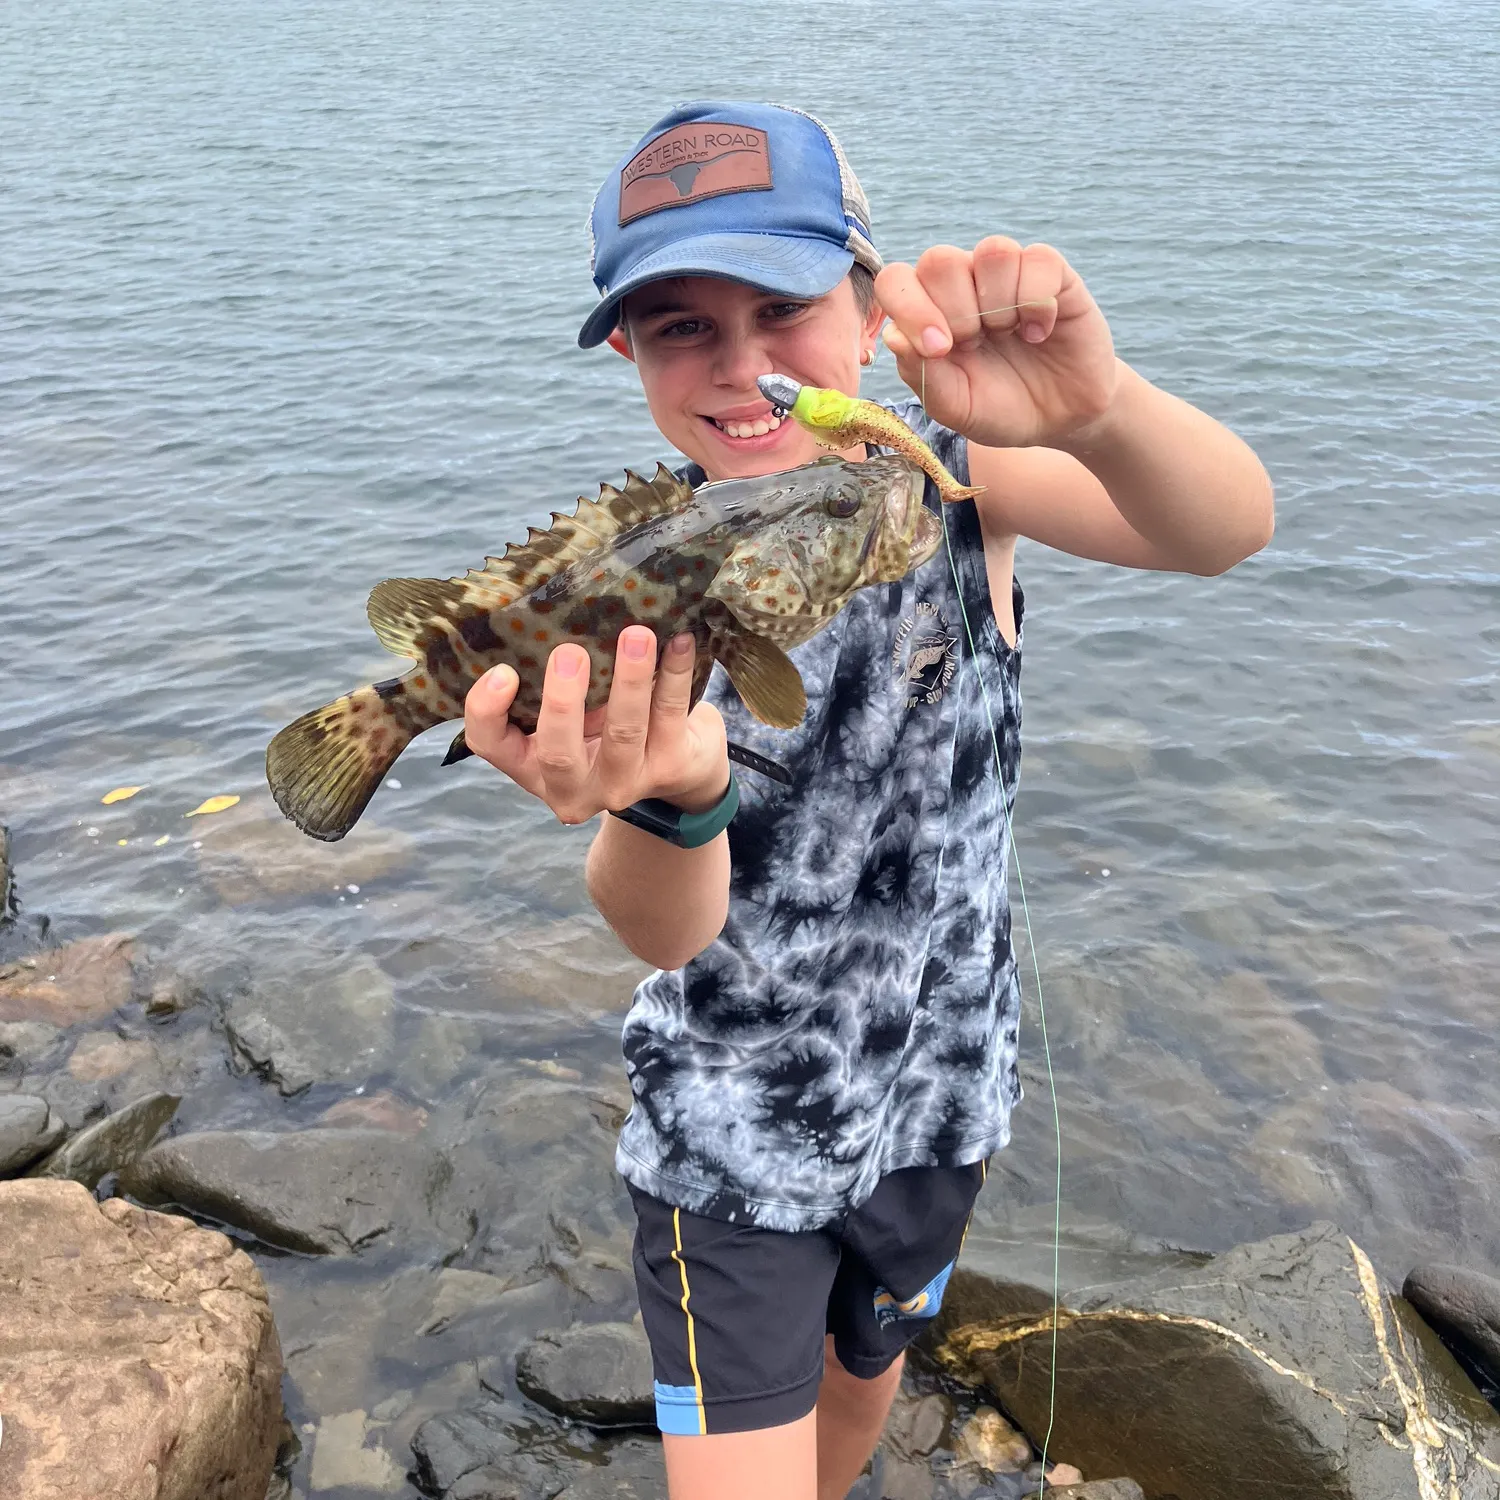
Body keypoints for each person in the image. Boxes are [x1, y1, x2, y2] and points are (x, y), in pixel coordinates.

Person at [462, 102, 1273, 1500]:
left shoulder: (959, 484)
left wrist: (1101, 407)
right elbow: (661, 937)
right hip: (727, 1140)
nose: (744, 364)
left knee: (864, 1389)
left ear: (868, 296)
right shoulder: (642, 591)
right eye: (682, 329)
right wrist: (677, 794)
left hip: (943, 1098)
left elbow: (1223, 530)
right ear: (628, 353)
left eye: (781, 307)